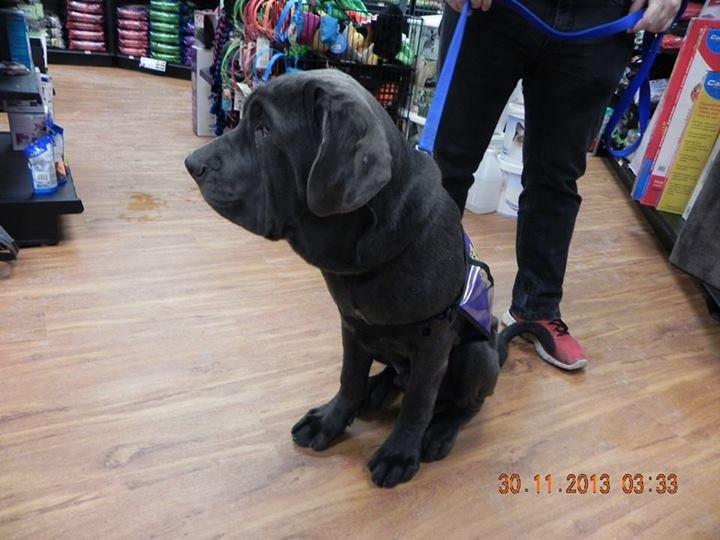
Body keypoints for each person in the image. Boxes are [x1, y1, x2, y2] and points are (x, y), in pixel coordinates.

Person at [435, 0, 682, 370]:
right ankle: (424, 300)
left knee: (557, 178)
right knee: (447, 166)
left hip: (601, 17)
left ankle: (536, 308)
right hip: (493, 11)